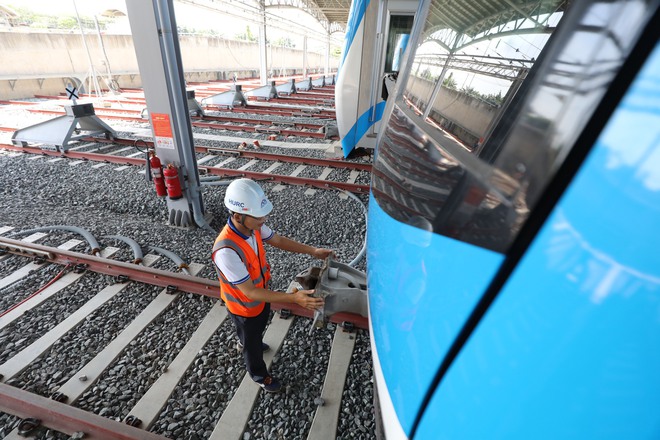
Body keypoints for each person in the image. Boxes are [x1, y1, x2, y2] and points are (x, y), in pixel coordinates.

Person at [212, 178, 332, 393]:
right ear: (238, 216)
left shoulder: (253, 226)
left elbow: (278, 240)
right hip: (244, 306)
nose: (264, 219)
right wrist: (295, 298)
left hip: (261, 298)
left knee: (256, 330)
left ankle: (250, 342)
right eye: (259, 216)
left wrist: (313, 251)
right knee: (251, 340)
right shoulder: (226, 251)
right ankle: (259, 374)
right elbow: (249, 292)